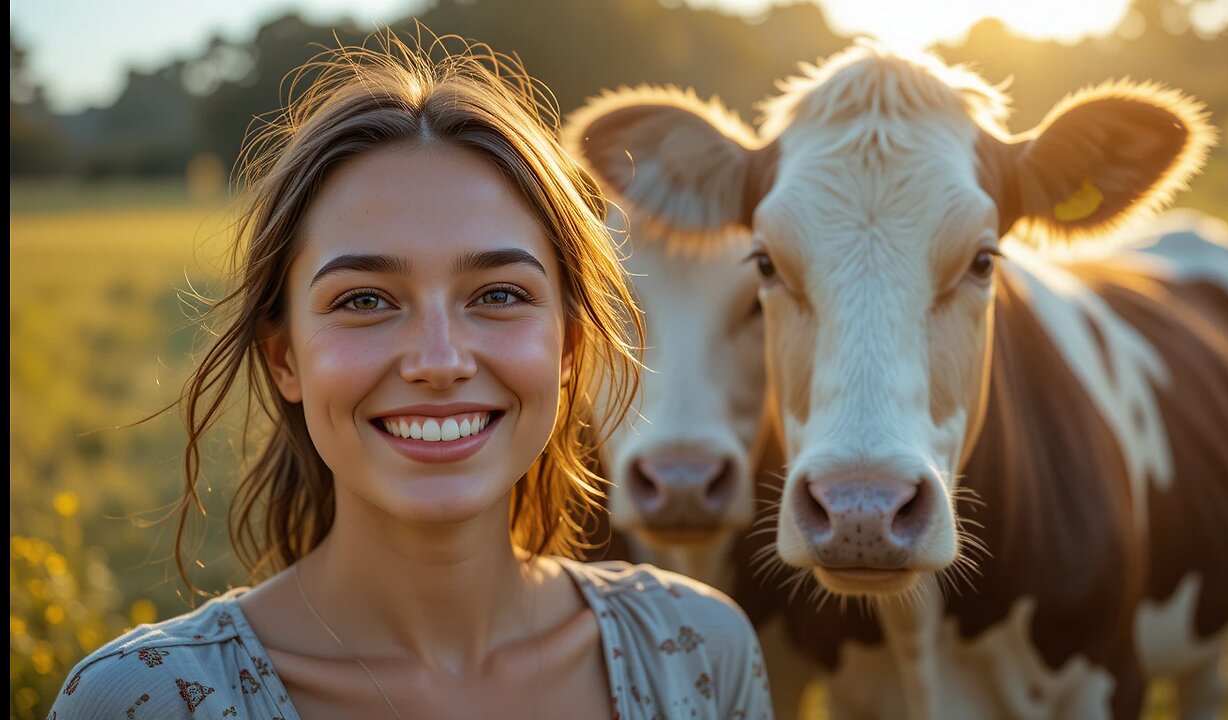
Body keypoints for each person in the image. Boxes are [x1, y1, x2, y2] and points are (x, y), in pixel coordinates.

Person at [50, 31, 772, 719]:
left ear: (567, 350)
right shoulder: (143, 702)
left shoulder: (701, 653)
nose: (439, 361)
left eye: (498, 295)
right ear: (285, 359)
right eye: (364, 300)